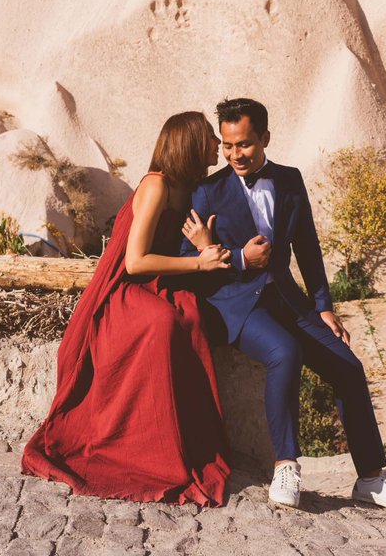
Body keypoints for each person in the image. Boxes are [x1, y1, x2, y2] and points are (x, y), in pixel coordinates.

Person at [180, 97, 386, 512]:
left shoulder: (290, 180)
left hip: (288, 301)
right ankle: (286, 466)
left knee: (349, 366)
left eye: (245, 144)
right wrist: (237, 257)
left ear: (265, 139)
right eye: (228, 144)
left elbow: (308, 248)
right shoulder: (207, 191)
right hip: (235, 305)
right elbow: (187, 258)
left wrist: (324, 306)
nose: (236, 153)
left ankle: (371, 479)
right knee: (284, 352)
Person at [22, 111, 233, 505]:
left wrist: (205, 249)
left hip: (160, 283)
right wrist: (199, 263)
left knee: (190, 316)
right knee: (162, 321)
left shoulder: (191, 188)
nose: (215, 144)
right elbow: (135, 262)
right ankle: (140, 444)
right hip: (124, 289)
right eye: (208, 137)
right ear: (188, 142)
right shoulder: (157, 185)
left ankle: (180, 441)